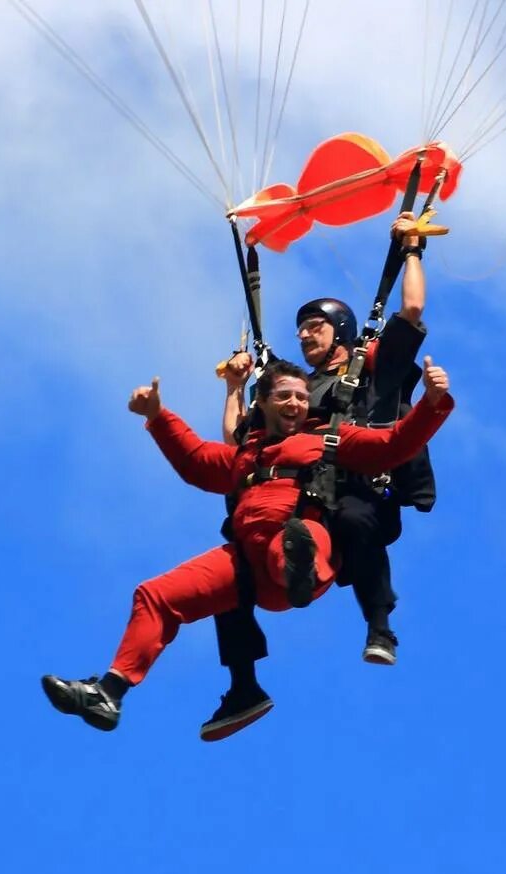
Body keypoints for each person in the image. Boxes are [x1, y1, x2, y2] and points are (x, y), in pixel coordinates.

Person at [40, 355, 454, 736]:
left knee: (293, 541)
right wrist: (157, 416)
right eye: (285, 396)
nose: (296, 403)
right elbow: (195, 461)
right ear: (264, 402)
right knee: (155, 595)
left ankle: (299, 569)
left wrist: (431, 404)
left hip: (302, 543)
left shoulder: (329, 439)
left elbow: (392, 446)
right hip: (247, 567)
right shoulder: (246, 455)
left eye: (302, 396)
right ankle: (109, 692)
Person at [203, 213, 436, 738]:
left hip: (352, 484)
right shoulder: (291, 390)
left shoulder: (369, 369)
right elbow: (238, 443)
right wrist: (235, 387)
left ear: (342, 332)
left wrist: (412, 248)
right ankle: (243, 686)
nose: (305, 334)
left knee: (355, 519)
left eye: (316, 326)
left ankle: (380, 627)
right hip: (295, 493)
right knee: (232, 563)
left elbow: (412, 311)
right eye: (301, 328)